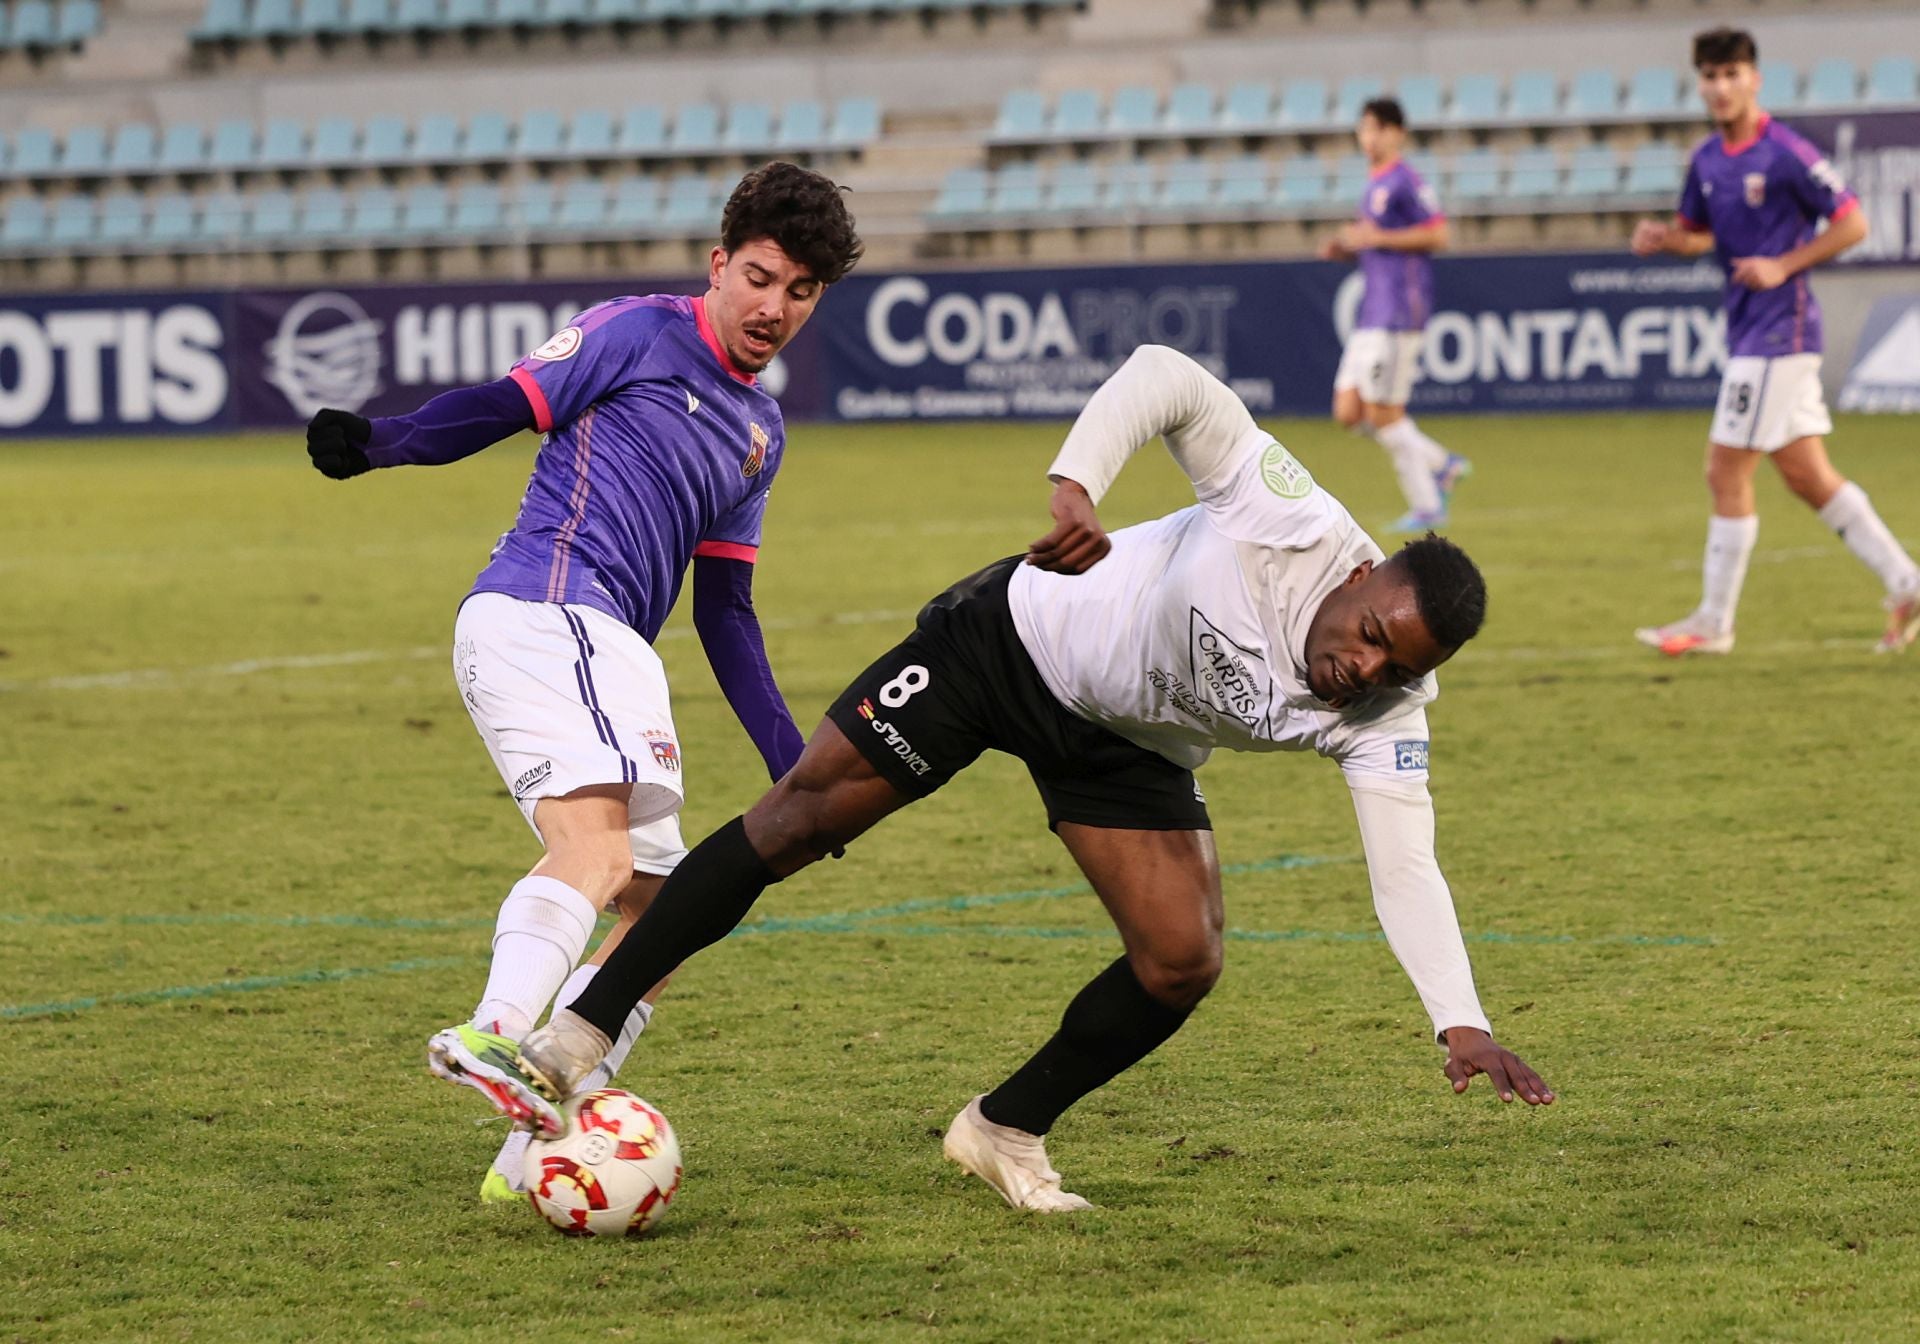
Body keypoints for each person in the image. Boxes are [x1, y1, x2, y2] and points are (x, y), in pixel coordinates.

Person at [463, 344, 1554, 1213]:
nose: (1362, 667)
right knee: (794, 821)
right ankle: (577, 1033)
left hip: (1125, 742)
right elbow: (1168, 377)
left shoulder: (1388, 712)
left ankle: (1001, 1127)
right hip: (1011, 643)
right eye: (1369, 634)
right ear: (1364, 576)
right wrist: (1078, 486)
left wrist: (1458, 1019)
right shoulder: (1294, 518)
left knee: (1182, 960)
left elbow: (1406, 865)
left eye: (1393, 666)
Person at [301, 161, 863, 1201]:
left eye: (799, 292)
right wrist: (380, 444)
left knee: (675, 904)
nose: (773, 308)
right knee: (599, 852)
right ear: (719, 264)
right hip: (546, 612)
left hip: (611, 651)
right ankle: (500, 1034)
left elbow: (725, 613)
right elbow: (503, 405)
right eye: (760, 277)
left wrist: (804, 768)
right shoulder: (635, 331)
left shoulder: (759, 434)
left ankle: (528, 1150)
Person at [1631, 27, 1920, 656]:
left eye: (1732, 73)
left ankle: (1714, 621)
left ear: (1755, 79)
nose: (1720, 86)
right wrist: (1665, 238)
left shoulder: (1786, 152)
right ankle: (1908, 582)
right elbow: (1696, 233)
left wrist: (1784, 265)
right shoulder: (1707, 159)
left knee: (1724, 467)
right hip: (1750, 331)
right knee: (1808, 475)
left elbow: (1853, 222)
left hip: (1779, 333)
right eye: (1710, 75)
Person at [1320, 96, 1469, 533]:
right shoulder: (1373, 182)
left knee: (1384, 413)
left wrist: (1377, 236)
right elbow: (1377, 247)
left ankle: (1428, 505)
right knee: (1348, 411)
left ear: (1397, 133)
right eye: (1364, 128)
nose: (1369, 137)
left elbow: (1439, 234)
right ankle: (1442, 463)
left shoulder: (1406, 181)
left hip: (1400, 310)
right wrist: (1348, 250)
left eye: (1377, 128)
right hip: (1372, 311)